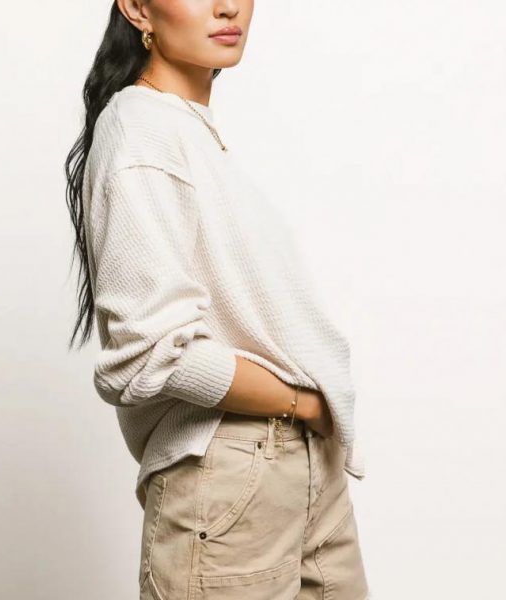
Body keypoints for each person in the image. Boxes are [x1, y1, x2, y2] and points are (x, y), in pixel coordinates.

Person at [65, 1, 370, 598]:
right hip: (232, 463)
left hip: (302, 469)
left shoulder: (184, 128)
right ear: (137, 8)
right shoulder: (140, 129)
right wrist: (301, 402)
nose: (227, 6)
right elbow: (149, 352)